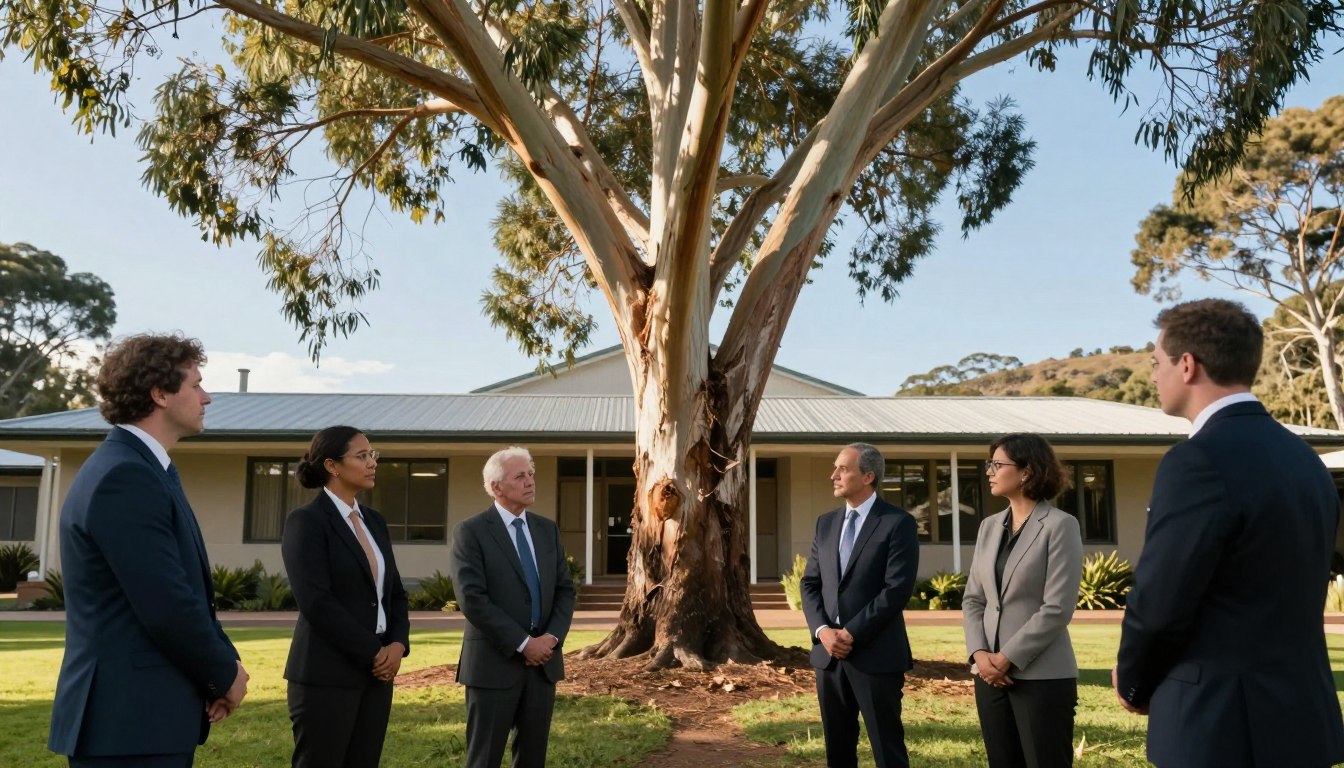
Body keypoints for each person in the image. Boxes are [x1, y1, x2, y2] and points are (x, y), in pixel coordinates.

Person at [1114, 298, 1344, 767]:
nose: (1153, 375)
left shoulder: (1196, 461)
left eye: (1156, 363)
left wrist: (1134, 681)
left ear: (1187, 365)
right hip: (1302, 720)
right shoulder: (1305, 461)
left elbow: (1160, 602)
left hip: (1218, 725)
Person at [48, 333, 248, 767]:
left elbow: (186, 592)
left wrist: (222, 667)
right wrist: (224, 675)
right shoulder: (126, 477)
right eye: (195, 384)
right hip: (128, 725)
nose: (206, 397)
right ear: (159, 393)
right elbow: (164, 603)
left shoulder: (143, 469)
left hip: (142, 720)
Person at [281, 426, 410, 768]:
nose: (373, 463)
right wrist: (375, 652)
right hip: (326, 676)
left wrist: (397, 644)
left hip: (377, 678)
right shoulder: (306, 522)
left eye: (373, 455)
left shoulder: (375, 522)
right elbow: (316, 602)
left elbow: (394, 592)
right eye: (362, 455)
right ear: (332, 466)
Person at [449, 446, 576, 768]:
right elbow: (472, 599)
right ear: (496, 487)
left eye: (531, 473)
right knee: (484, 758)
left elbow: (564, 590)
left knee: (533, 757)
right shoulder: (471, 531)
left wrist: (550, 639)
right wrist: (522, 644)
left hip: (542, 666)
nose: (530, 481)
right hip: (493, 665)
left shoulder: (547, 530)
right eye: (520, 476)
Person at [962, 433, 1083, 768]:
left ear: (1026, 471)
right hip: (988, 676)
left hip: (1042, 677)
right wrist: (980, 655)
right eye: (990, 464)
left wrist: (1006, 658)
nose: (989, 471)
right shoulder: (988, 527)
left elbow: (1057, 608)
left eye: (997, 465)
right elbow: (974, 599)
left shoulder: (1060, 526)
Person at [800, 442, 919, 768]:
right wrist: (823, 631)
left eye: (843, 469)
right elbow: (810, 583)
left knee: (887, 749)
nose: (833, 475)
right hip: (828, 658)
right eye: (835, 468)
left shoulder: (897, 523)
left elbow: (896, 590)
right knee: (837, 751)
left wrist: (850, 633)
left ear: (868, 476)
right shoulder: (825, 523)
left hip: (877, 655)